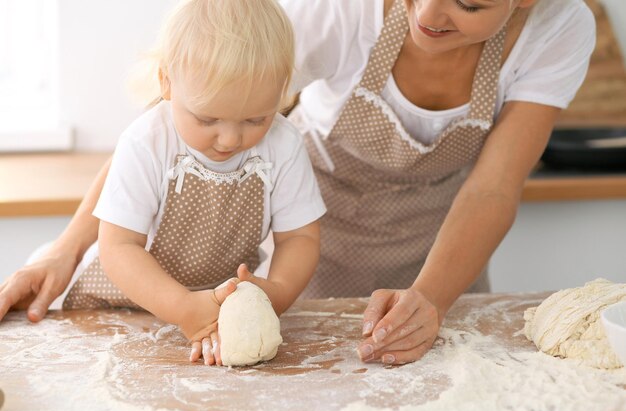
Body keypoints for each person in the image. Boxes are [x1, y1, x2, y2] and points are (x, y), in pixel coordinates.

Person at [0, 0, 594, 366]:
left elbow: (492, 188)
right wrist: (65, 247)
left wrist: (432, 298)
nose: (427, 15)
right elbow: (170, 125)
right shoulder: (336, 11)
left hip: (437, 244)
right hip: (316, 247)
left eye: (467, 3)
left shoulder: (559, 29)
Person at [0, 0, 326, 367]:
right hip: (118, 306)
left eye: (255, 119)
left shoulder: (284, 145)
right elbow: (119, 246)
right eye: (208, 119)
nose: (230, 139)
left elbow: (299, 238)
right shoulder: (146, 142)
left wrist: (277, 293)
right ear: (166, 81)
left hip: (208, 305)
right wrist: (183, 307)